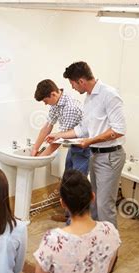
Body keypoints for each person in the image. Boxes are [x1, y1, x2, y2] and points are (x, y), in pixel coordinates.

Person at [47, 62, 126, 231]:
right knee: (95, 202)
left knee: (105, 206)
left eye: (72, 84)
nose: (72, 88)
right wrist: (58, 135)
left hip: (110, 156)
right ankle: (96, 242)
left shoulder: (109, 95)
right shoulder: (89, 98)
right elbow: (83, 129)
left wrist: (89, 141)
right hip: (95, 154)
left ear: (81, 81)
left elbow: (119, 130)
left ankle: (110, 252)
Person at [33, 170, 121, 273]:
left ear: (63, 203)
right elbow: (107, 268)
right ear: (93, 197)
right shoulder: (110, 232)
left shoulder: (53, 240)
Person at [33, 79, 90, 223]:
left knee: (76, 186)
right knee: (67, 181)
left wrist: (37, 160)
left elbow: (59, 140)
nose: (45, 104)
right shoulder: (57, 103)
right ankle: (68, 215)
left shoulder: (70, 107)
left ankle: (74, 223)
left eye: (45, 101)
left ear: (53, 94)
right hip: (74, 146)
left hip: (84, 148)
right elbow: (47, 127)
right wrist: (35, 149)